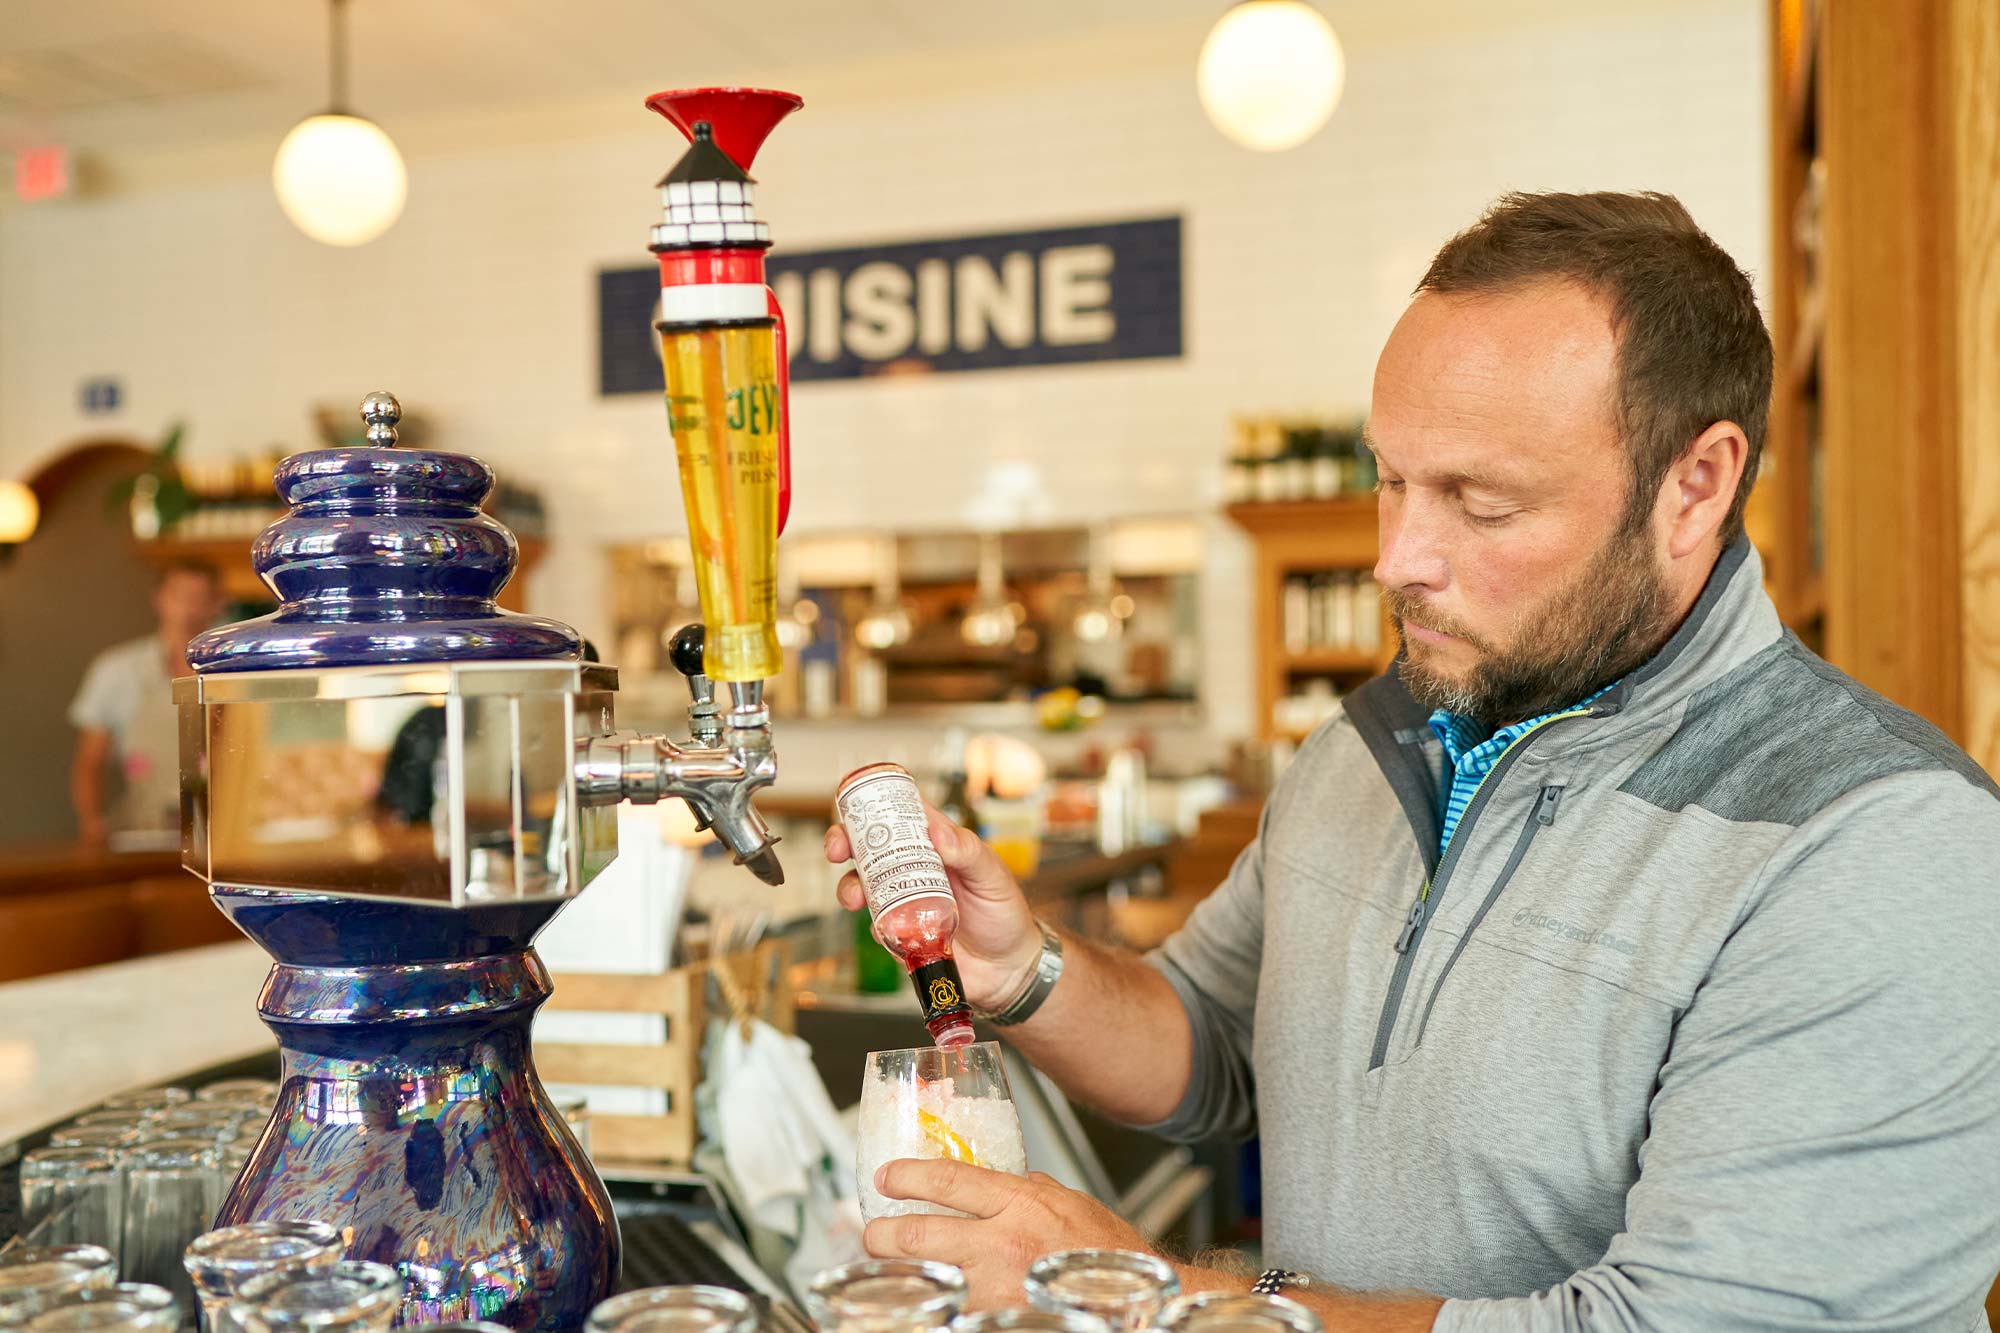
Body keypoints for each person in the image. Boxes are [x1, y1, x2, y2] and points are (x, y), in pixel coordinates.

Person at [824, 192, 2000, 1329]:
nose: (1395, 559)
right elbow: (1213, 1039)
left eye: (1477, 503)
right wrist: (1015, 965)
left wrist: (1152, 1298)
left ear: (1692, 486)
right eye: (1388, 478)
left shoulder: (1878, 841)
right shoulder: (1374, 735)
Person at [69, 560, 223, 846]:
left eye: (200, 598)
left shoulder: (235, 672)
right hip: (145, 836)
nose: (189, 608)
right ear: (159, 599)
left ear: (217, 604)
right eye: (180, 596)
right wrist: (91, 824)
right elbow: (90, 762)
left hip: (222, 834)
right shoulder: (116, 670)